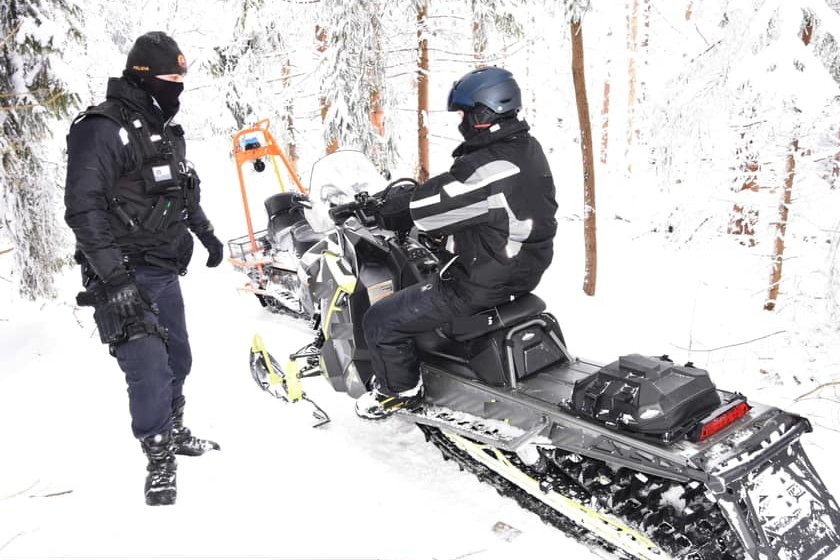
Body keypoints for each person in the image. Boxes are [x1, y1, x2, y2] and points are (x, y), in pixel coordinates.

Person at [64, 31, 224, 506]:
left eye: (181, 77)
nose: (178, 86)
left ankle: (174, 430)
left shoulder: (162, 132)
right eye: (170, 77)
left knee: (179, 362)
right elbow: (84, 209)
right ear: (143, 76)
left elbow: (181, 193)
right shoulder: (100, 127)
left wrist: (207, 234)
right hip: (119, 273)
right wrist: (113, 280)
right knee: (149, 368)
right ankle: (158, 459)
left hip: (161, 267)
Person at [355, 66, 558, 419]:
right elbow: (481, 199)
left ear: (483, 113)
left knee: (380, 320)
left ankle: (398, 392)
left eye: (463, 113)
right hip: (521, 269)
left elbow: (426, 210)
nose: (460, 122)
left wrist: (390, 208)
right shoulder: (525, 148)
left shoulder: (489, 167)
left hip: (480, 286)